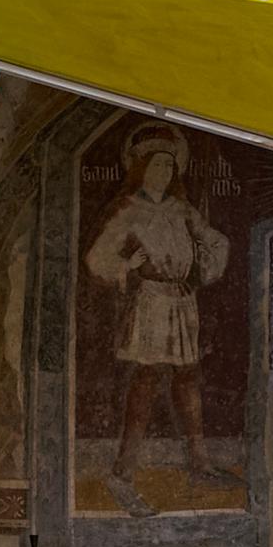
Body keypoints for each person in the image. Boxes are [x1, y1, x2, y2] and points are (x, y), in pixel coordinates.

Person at [85, 125, 229, 484]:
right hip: (150, 301)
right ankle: (126, 463)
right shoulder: (129, 210)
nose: (163, 173)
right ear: (142, 169)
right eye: (156, 166)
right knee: (146, 379)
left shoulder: (182, 209)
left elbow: (215, 241)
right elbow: (96, 257)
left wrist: (203, 265)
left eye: (169, 166)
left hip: (181, 299)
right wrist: (126, 267)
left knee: (187, 377)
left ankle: (199, 460)